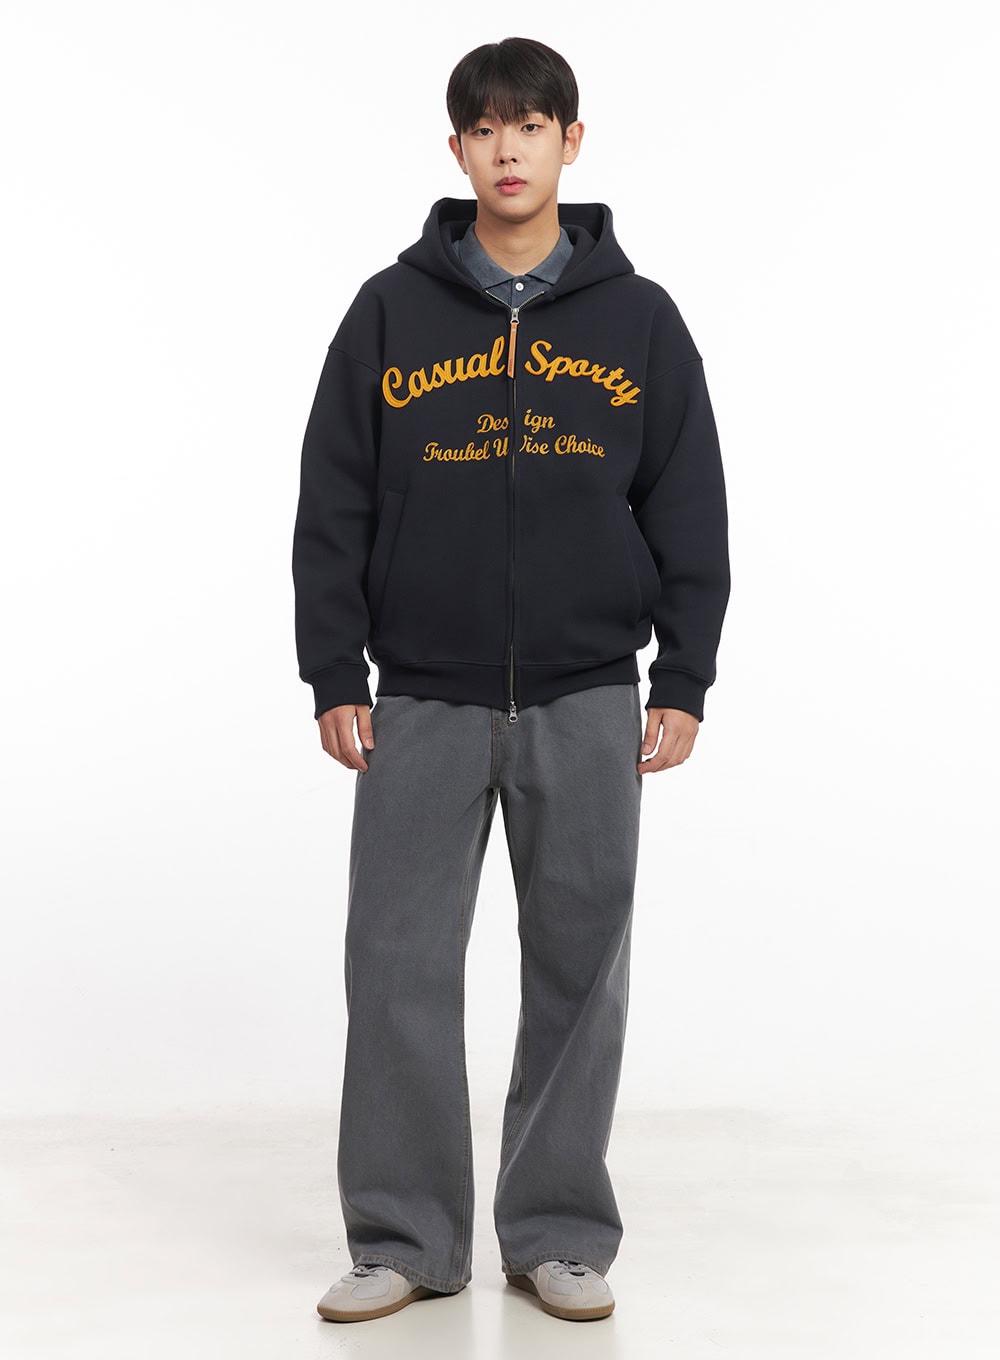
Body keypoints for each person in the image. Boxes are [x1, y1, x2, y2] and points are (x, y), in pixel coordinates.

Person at [292, 35, 730, 1325]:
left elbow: (689, 504)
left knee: (581, 968)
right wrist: (334, 666)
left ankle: (557, 1234)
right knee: (397, 964)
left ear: (570, 142)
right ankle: (405, 1238)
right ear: (456, 149)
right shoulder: (388, 310)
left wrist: (683, 676)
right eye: (484, 128)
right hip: (421, 693)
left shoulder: (642, 322)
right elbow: (334, 497)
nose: (507, 149)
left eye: (530, 126)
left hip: (590, 694)